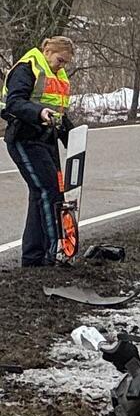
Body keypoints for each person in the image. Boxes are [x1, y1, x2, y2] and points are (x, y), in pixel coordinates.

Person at [5, 36, 78, 268]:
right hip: (24, 137)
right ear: (47, 51)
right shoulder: (27, 68)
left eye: (66, 62)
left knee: (42, 194)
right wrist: (39, 113)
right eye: (60, 60)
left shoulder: (58, 75)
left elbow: (58, 113)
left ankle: (32, 258)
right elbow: (14, 103)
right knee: (49, 191)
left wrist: (73, 138)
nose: (62, 65)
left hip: (47, 139)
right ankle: (52, 251)